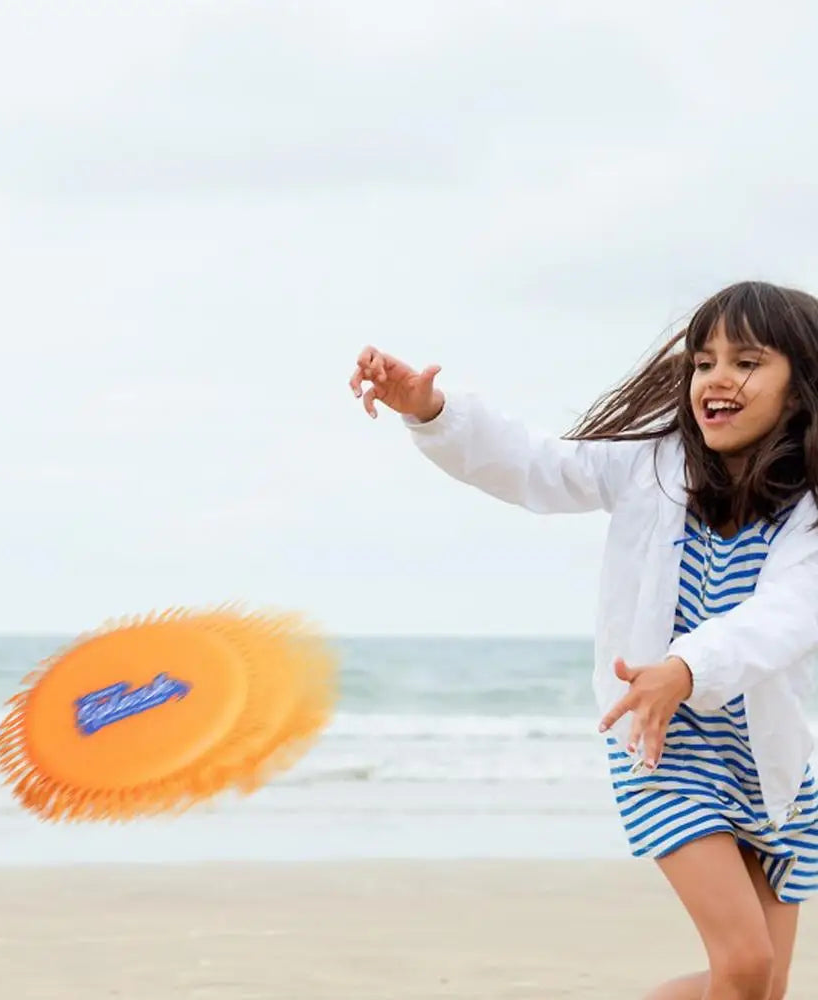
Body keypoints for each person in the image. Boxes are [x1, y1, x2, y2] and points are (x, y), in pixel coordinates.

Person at [349, 280, 818, 1000]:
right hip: (667, 748)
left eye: (747, 362)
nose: (717, 378)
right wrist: (433, 412)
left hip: (772, 762)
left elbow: (787, 614)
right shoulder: (650, 466)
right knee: (745, 965)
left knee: (762, 986)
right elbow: (538, 466)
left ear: (801, 386)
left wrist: (687, 665)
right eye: (703, 361)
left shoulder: (810, 515)